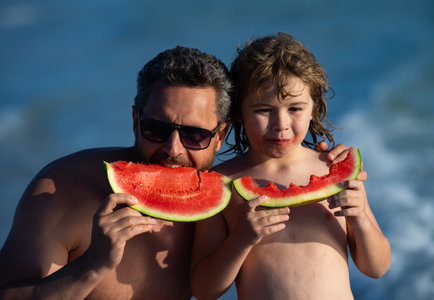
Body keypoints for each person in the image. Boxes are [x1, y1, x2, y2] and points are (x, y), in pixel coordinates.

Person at [0, 45, 353, 299]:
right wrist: (91, 266)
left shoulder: (231, 200)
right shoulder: (61, 189)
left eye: (195, 135)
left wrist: (326, 169)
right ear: (136, 120)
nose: (173, 149)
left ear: (221, 136)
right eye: (156, 129)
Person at [190, 33, 390, 300]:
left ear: (313, 108)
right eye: (263, 110)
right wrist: (240, 240)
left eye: (295, 108)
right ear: (238, 112)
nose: (280, 124)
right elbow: (204, 289)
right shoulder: (221, 183)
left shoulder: (333, 169)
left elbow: (376, 267)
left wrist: (360, 218)